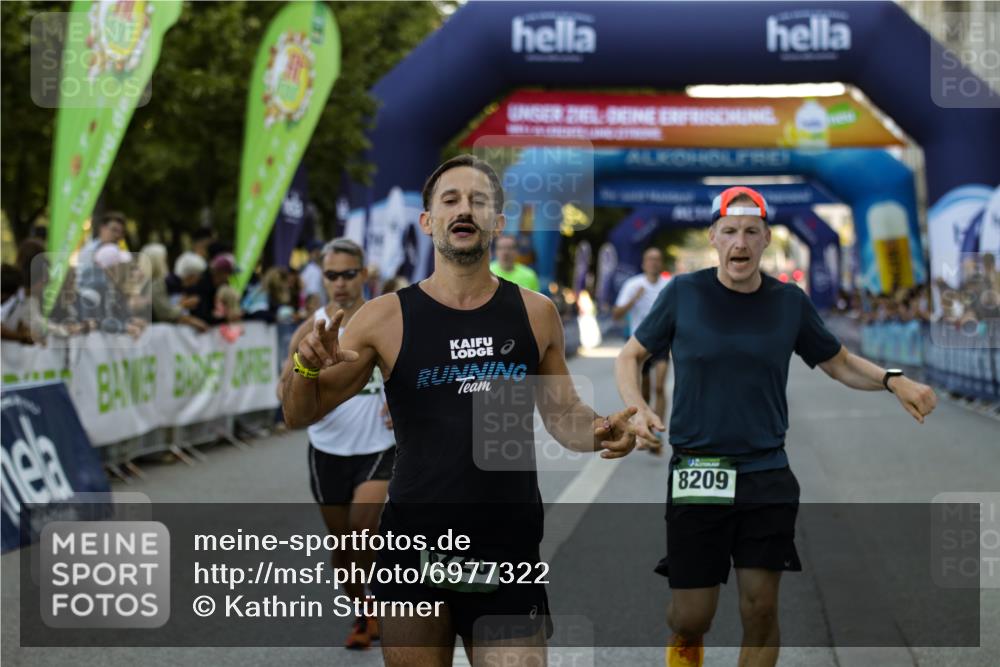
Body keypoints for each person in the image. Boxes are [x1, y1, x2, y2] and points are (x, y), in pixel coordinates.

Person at [281, 154, 637, 667]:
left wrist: (602, 430)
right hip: (414, 544)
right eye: (450, 200)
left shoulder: (536, 313)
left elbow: (564, 416)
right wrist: (306, 368)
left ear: (496, 219)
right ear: (428, 221)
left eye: (478, 201)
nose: (464, 210)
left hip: (507, 541)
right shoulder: (384, 317)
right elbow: (299, 413)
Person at [614, 186, 937, 667]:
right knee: (691, 617)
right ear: (714, 238)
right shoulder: (684, 293)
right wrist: (637, 406)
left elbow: (839, 363)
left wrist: (893, 381)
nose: (739, 243)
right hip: (699, 470)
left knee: (760, 608)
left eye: (750, 232)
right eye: (729, 232)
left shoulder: (789, 301)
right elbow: (631, 354)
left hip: (766, 471)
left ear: (766, 239)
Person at [277, 238, 396, 649]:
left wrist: (402, 406)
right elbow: (284, 392)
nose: (341, 283)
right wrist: (302, 386)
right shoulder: (309, 330)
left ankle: (383, 603)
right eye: (332, 275)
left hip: (380, 446)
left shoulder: (385, 320)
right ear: (323, 278)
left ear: (364, 274)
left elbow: (416, 373)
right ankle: (363, 610)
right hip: (327, 450)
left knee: (365, 530)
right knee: (344, 546)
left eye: (349, 273)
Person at [612, 246, 671, 451]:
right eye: (650, 259)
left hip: (663, 343)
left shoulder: (668, 285)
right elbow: (616, 314)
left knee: (659, 387)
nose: (653, 263)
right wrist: (634, 299)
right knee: (644, 391)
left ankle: (657, 434)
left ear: (660, 263)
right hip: (639, 344)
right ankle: (645, 427)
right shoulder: (633, 284)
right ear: (644, 263)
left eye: (657, 259)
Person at [76, 212, 126, 289]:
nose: (117, 235)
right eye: (114, 230)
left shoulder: (122, 254)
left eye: (120, 232)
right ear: (103, 228)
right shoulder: (88, 250)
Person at [300, 239, 327, 313]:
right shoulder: (314, 271)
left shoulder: (311, 269)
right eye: (318, 251)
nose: (322, 253)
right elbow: (313, 296)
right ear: (312, 253)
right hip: (315, 313)